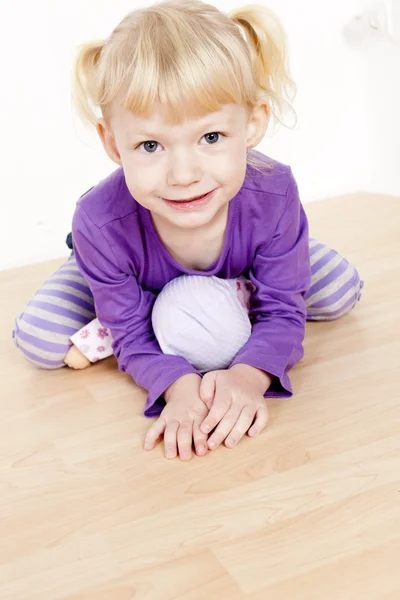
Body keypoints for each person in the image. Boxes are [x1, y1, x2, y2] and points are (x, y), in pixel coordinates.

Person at [12, 0, 363, 461]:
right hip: (125, 263)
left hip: (253, 239)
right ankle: (138, 290)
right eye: (151, 145)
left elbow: (281, 315)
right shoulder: (99, 221)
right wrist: (177, 386)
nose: (183, 174)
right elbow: (134, 338)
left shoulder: (275, 193)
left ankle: (263, 263)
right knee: (39, 340)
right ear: (114, 144)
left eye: (211, 138)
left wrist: (248, 376)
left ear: (252, 123)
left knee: (339, 291)